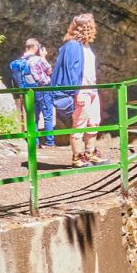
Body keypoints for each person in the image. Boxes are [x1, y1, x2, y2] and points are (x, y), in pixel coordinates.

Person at [51, 13, 101, 167]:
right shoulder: (72, 45)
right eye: (91, 25)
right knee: (79, 124)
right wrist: (76, 91)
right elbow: (70, 71)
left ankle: (90, 153)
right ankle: (77, 157)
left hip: (92, 90)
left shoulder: (86, 46)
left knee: (94, 122)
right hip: (81, 91)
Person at [9, 38, 56, 147]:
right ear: (35, 47)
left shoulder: (18, 62)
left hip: (27, 92)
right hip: (42, 90)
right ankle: (50, 142)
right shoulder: (38, 60)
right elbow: (49, 70)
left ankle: (34, 142)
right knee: (48, 115)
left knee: (33, 117)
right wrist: (43, 56)